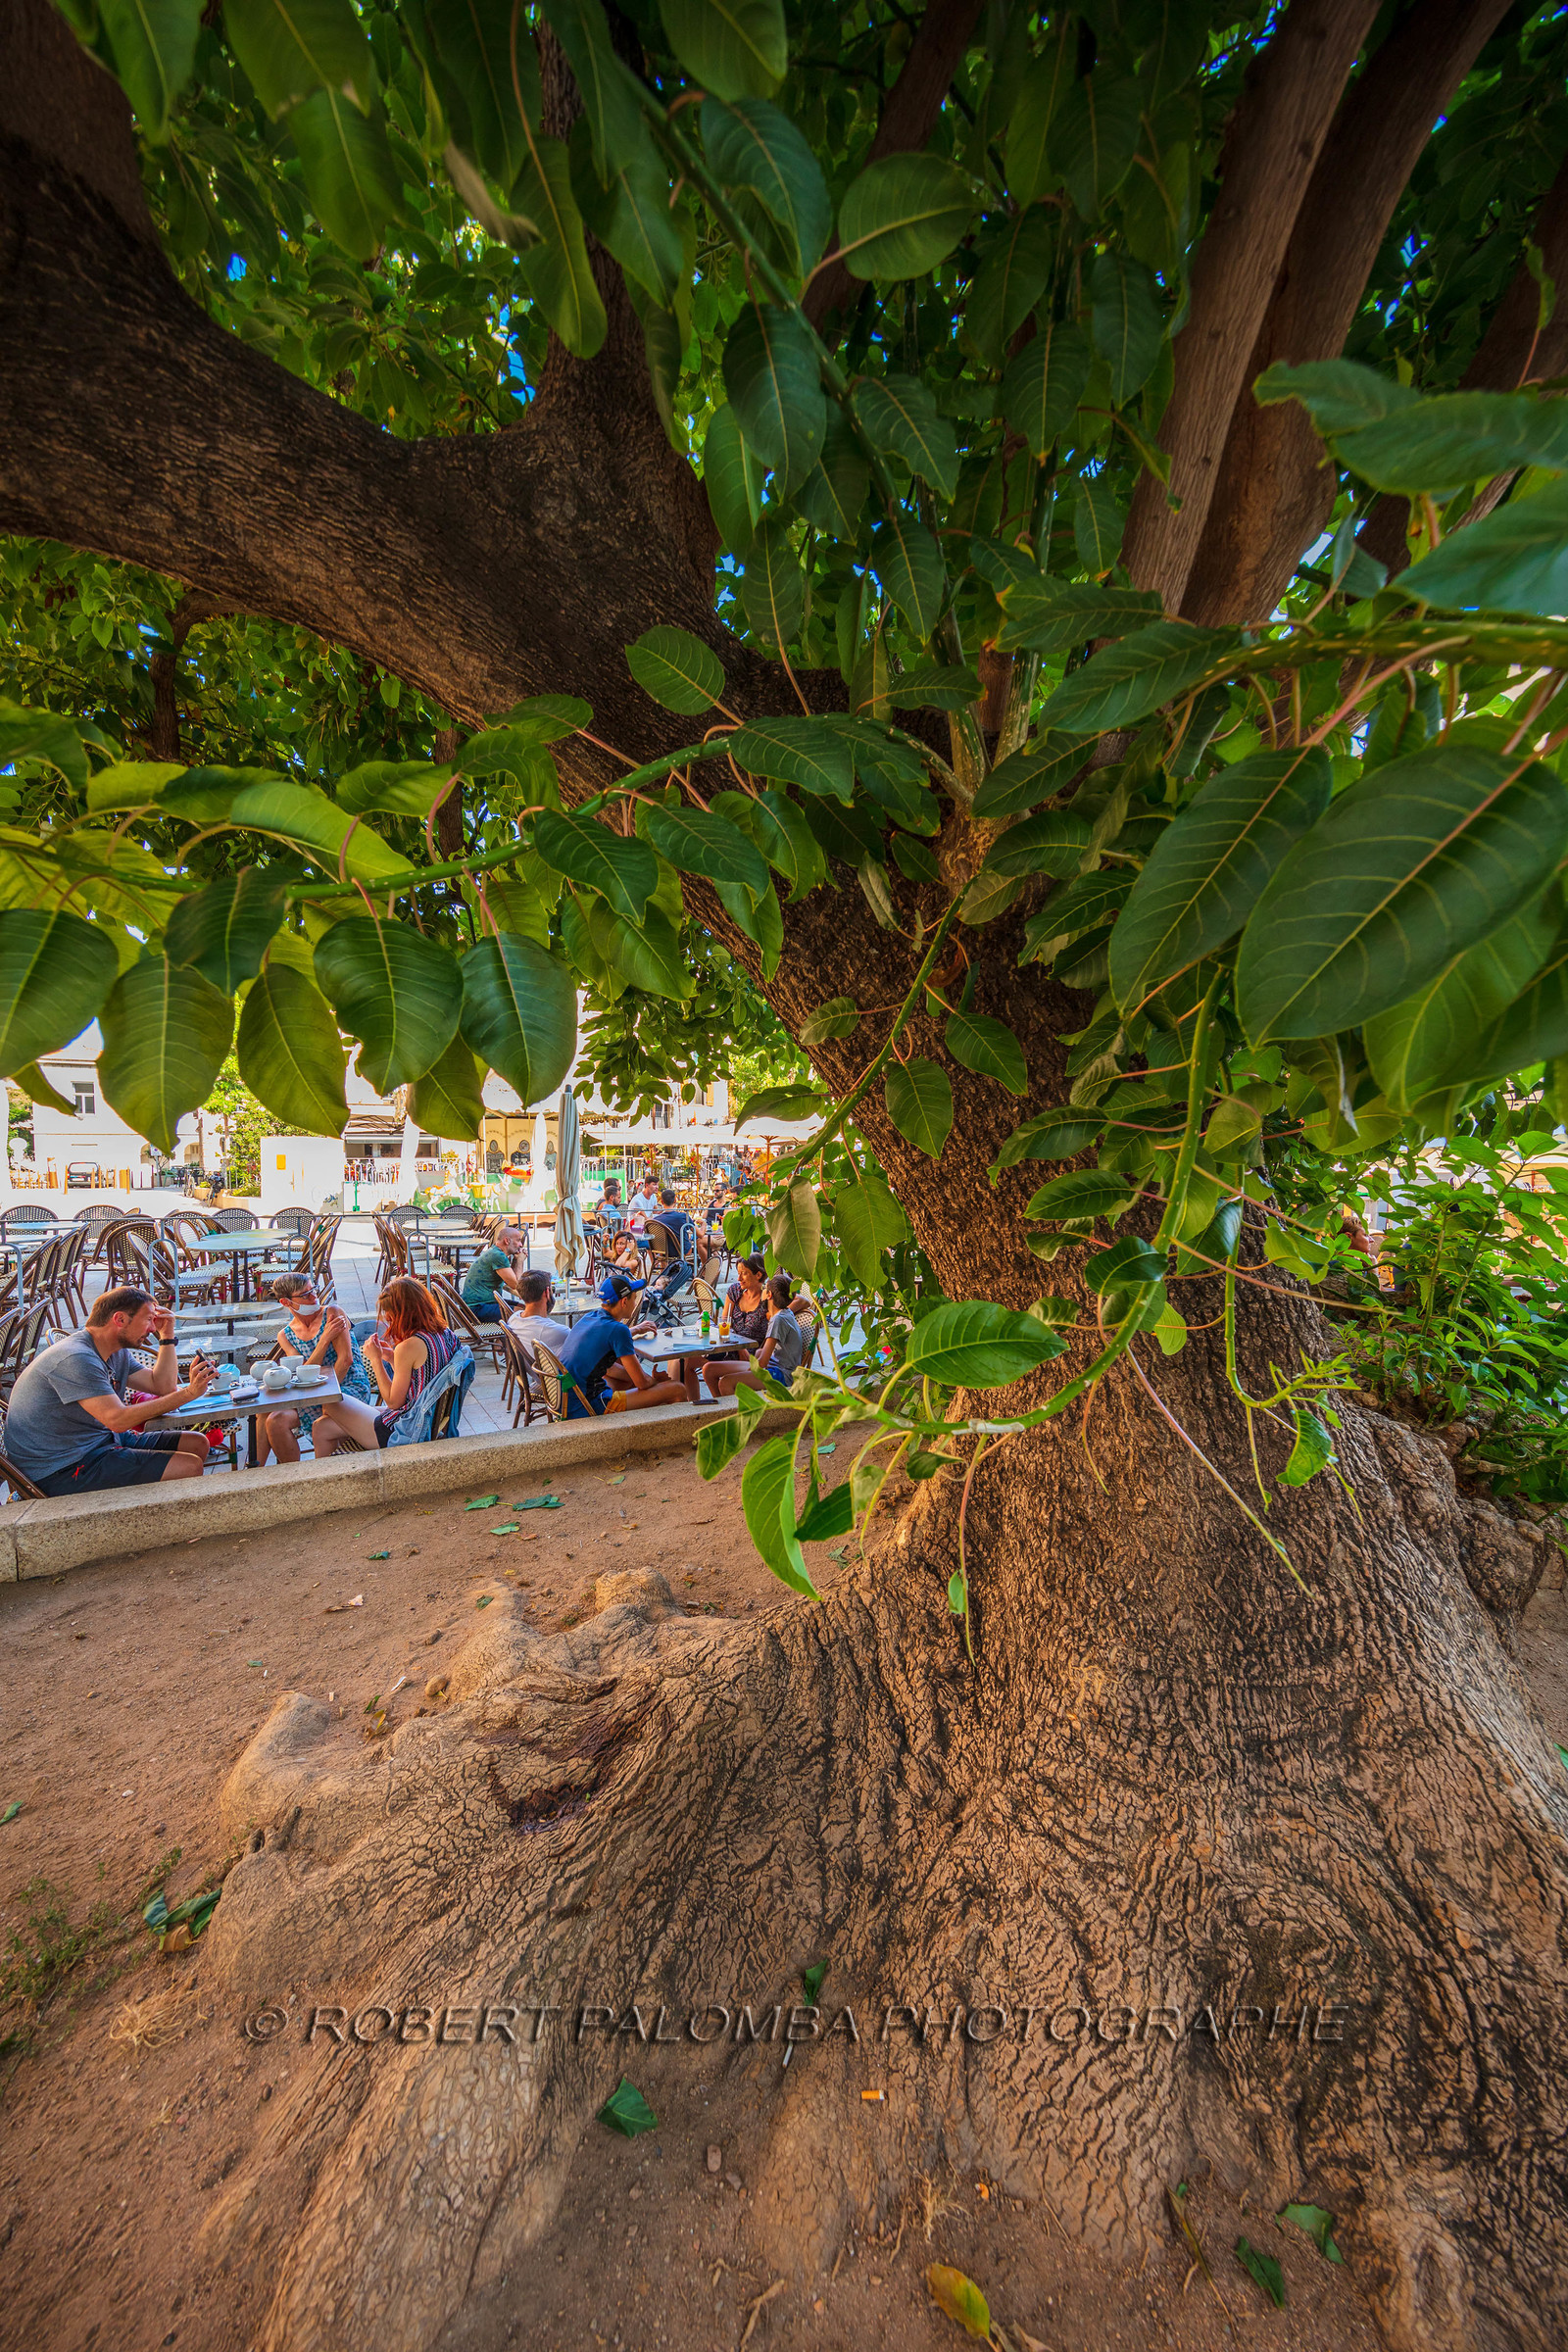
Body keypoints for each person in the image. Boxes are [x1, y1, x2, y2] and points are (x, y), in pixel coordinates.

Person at [1, 1286, 213, 1494]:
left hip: (97, 1443)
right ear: (119, 1319)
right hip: (61, 1468)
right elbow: (117, 1420)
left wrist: (167, 1336)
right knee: (188, 1466)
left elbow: (163, 1386)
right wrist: (189, 1393)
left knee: (197, 1444)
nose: (152, 1327)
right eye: (148, 1319)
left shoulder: (114, 1351)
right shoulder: (76, 1358)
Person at [312, 1278, 468, 1450]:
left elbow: (394, 1402)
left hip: (403, 1432)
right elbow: (421, 1376)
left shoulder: (409, 1346)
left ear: (401, 1314)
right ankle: (336, 1469)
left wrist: (376, 1360)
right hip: (423, 1418)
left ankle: (359, 1457)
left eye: (390, 1316)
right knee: (321, 1427)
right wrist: (392, 1358)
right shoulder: (445, 1334)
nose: (388, 1320)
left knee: (329, 1400)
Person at [261, 1272, 374, 1466]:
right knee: (273, 1420)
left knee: (325, 1412)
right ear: (286, 1302)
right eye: (305, 1295)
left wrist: (324, 1396)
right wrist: (324, 1341)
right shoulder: (286, 1335)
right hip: (312, 1393)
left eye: (313, 1290)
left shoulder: (332, 1313)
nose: (314, 1297)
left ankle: (321, 1473)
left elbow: (345, 1361)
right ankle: (293, 1477)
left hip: (347, 1386)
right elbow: (303, 1373)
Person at [554, 1271, 688, 1418]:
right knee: (677, 1389)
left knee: (627, 1377)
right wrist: (655, 1380)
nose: (637, 1302)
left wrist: (635, 1330)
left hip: (567, 1401)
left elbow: (608, 1349)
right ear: (624, 1302)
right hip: (588, 1406)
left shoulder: (590, 1317)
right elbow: (642, 1383)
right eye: (635, 1298)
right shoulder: (618, 1330)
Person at [707, 1275, 808, 1399]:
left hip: (781, 1375)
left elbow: (762, 1363)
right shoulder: (783, 1314)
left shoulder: (779, 1319)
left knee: (727, 1382)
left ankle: (739, 1414)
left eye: (765, 1288)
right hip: (771, 1367)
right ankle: (720, 1410)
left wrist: (746, 1372)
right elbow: (762, 1352)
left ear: (769, 1295)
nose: (763, 1290)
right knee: (709, 1369)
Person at [507, 1270, 573, 1365]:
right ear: (546, 1292)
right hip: (556, 1378)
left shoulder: (514, 1319)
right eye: (552, 1289)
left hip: (537, 1375)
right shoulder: (559, 1332)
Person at [461, 1234, 522, 1324]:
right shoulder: (498, 1256)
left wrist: (516, 1260)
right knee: (523, 1314)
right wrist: (520, 1260)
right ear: (507, 1241)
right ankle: (512, 1337)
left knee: (525, 1308)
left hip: (479, 1304)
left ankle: (509, 1336)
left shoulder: (495, 1251)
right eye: (518, 1240)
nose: (521, 1244)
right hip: (476, 1309)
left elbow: (512, 1279)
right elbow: (516, 1285)